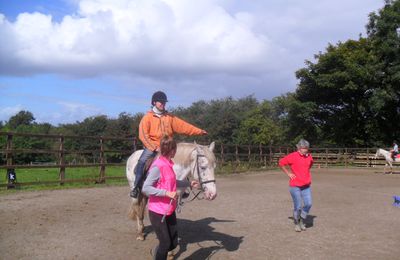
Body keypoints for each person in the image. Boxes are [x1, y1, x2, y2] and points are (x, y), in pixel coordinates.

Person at [130, 91, 207, 199]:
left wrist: (199, 131)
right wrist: (154, 147)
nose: (162, 104)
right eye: (160, 102)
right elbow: (143, 135)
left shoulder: (170, 117)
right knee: (142, 162)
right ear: (154, 102)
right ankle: (136, 187)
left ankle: (182, 188)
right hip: (152, 147)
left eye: (164, 102)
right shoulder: (147, 118)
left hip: (168, 146)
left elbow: (184, 126)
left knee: (180, 163)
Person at [142, 136, 200, 260]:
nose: (176, 152)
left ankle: (157, 252)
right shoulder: (158, 166)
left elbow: (173, 181)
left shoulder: (169, 164)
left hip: (169, 210)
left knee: (174, 242)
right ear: (172, 150)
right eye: (175, 149)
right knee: (165, 243)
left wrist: (189, 184)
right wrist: (166, 193)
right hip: (157, 212)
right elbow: (146, 188)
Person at [279, 139, 314, 232]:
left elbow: (309, 165)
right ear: (298, 148)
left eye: (306, 148)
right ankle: (297, 223)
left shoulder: (309, 156)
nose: (305, 150)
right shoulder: (292, 156)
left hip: (306, 185)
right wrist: (288, 173)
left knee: (308, 204)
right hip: (295, 186)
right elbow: (281, 163)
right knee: (298, 206)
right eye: (303, 148)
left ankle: (302, 219)